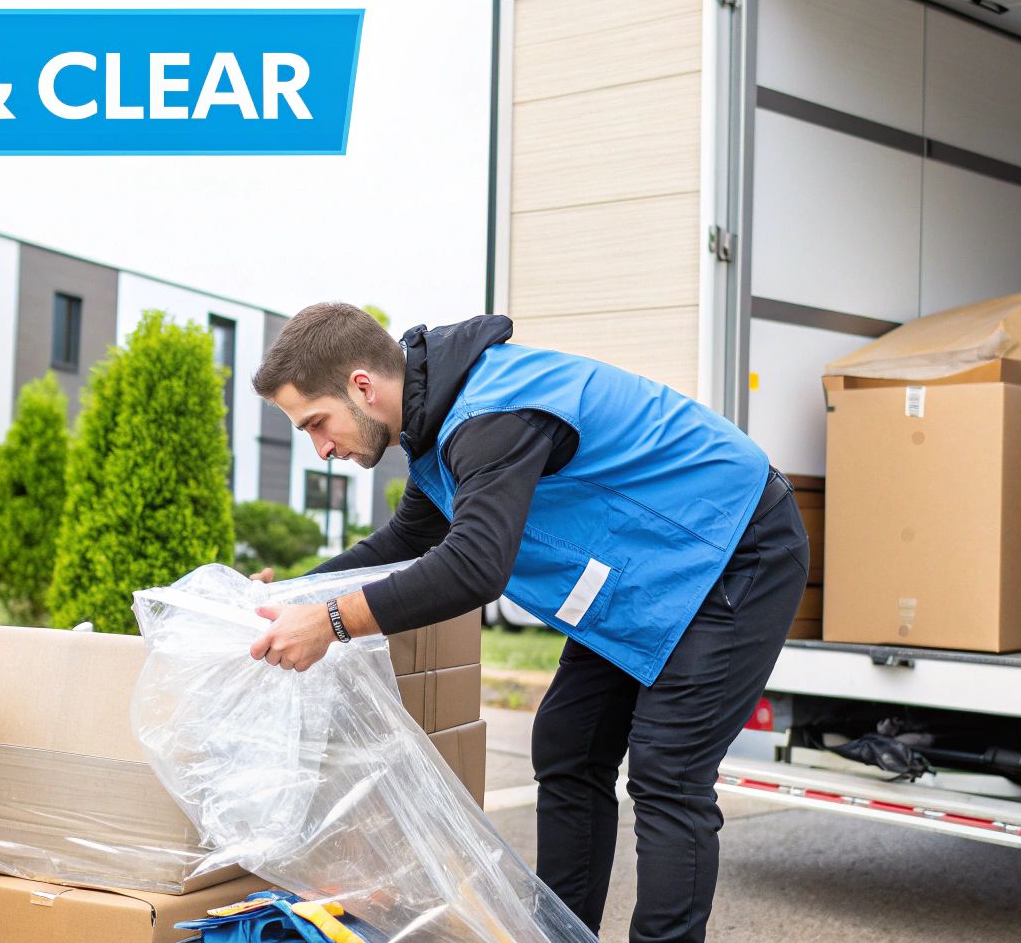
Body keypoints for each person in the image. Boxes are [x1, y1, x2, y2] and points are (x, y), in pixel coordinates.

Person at [246, 303, 807, 943]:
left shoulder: (490, 417)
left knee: (667, 773)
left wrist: (331, 621)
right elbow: (408, 538)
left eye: (317, 422)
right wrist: (289, 596)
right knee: (568, 744)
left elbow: (474, 567)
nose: (321, 448)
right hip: (649, 565)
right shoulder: (436, 428)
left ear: (362, 387)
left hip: (736, 542)